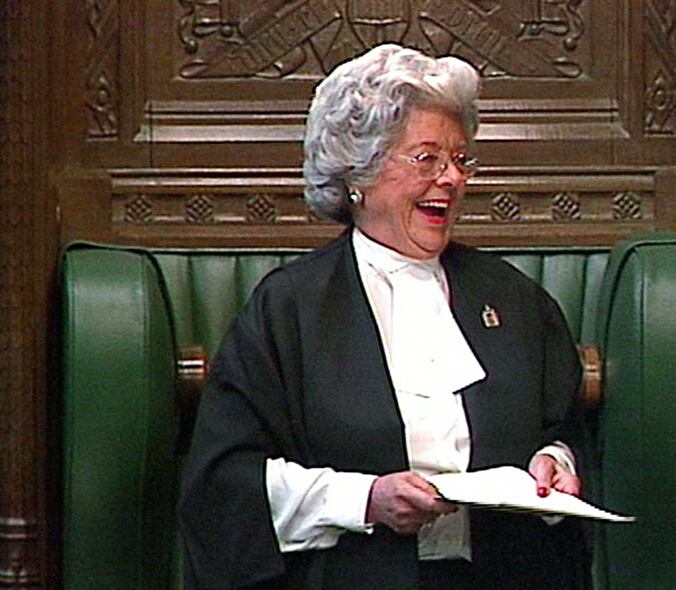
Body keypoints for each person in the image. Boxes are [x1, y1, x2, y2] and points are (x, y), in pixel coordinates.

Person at [179, 44, 589, 590]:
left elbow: (565, 428)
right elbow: (224, 484)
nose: (452, 179)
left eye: (461, 160)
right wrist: (364, 501)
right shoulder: (290, 309)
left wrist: (555, 461)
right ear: (359, 173)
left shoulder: (514, 298)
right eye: (427, 159)